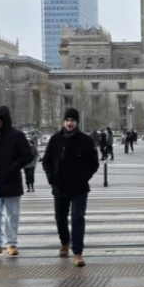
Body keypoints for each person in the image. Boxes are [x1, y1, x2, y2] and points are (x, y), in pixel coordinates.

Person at [41, 109, 100, 267]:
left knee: (77, 218)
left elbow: (93, 164)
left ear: (77, 122)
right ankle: (65, 242)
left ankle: (78, 252)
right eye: (67, 120)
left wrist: (83, 178)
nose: (69, 123)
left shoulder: (85, 140)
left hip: (79, 187)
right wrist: (51, 178)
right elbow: (46, 161)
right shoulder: (55, 140)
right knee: (60, 217)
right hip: (59, 186)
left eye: (72, 120)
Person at [0, 106, 33, 256]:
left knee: (12, 213)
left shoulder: (17, 135)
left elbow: (28, 155)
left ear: (4, 119)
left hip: (11, 179)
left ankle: (11, 243)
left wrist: (13, 167)